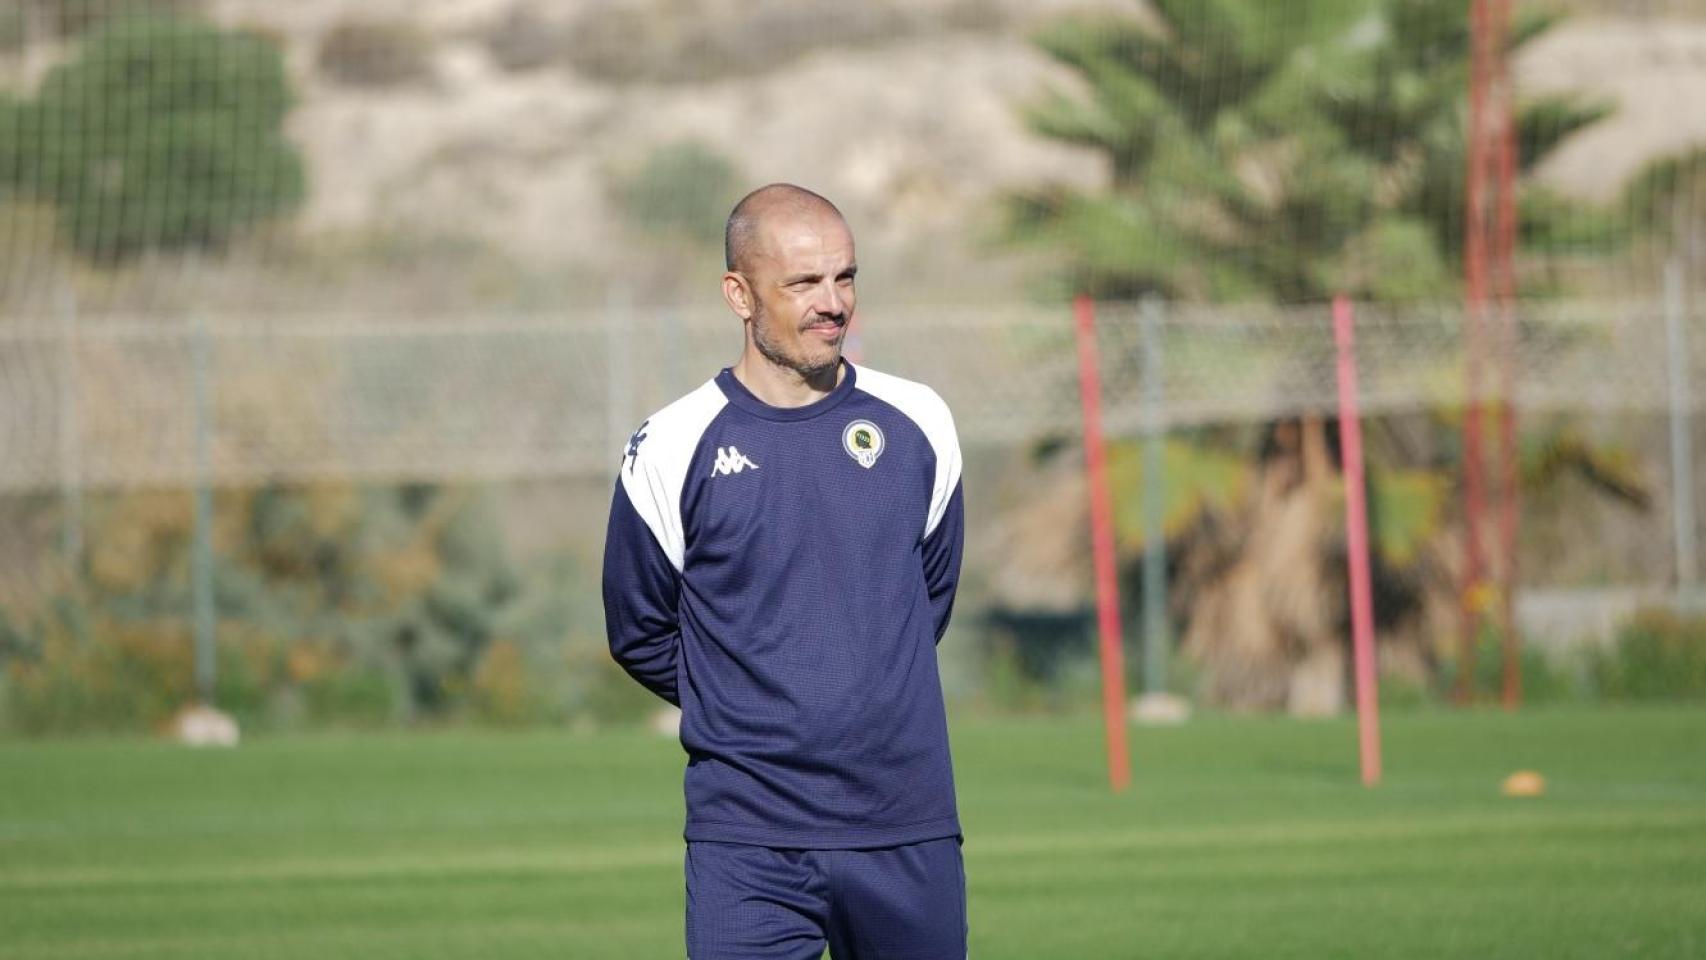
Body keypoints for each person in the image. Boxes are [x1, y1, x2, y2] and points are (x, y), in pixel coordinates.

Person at [602, 183, 967, 959]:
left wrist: (858, 679)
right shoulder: (670, 446)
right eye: (803, 283)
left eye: (845, 277)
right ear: (739, 293)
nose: (832, 303)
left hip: (907, 826)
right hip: (748, 841)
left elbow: (928, 595)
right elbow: (638, 630)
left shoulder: (920, 422)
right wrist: (754, 701)